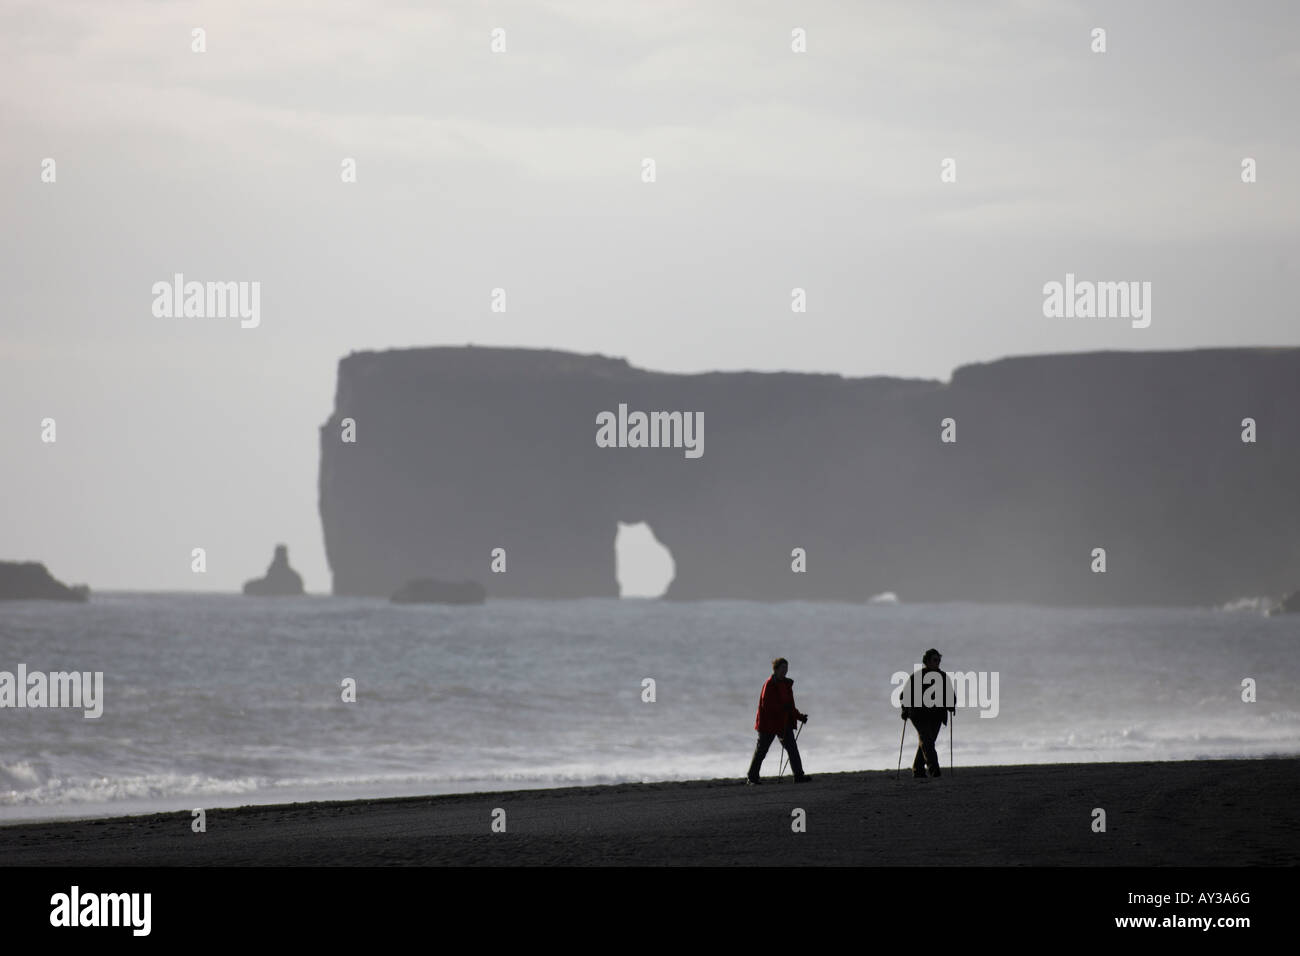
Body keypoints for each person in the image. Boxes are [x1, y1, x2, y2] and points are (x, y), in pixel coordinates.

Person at [746, 657, 811, 784]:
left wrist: (800, 717)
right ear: (775, 669)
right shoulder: (769, 684)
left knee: (792, 748)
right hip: (768, 724)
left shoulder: (786, 684)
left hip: (783, 722)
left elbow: (790, 706)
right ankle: (752, 777)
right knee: (761, 751)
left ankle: (798, 775)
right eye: (782, 668)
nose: (785, 670)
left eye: (786, 668)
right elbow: (766, 705)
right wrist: (783, 708)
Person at [900, 648, 955, 777]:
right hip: (919, 715)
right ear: (927, 661)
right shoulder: (916, 677)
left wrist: (952, 704)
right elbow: (904, 696)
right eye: (935, 660)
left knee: (927, 742)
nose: (938, 663)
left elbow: (950, 695)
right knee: (927, 741)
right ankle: (934, 770)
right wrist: (905, 710)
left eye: (939, 660)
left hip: (936, 715)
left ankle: (918, 769)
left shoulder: (943, 677)